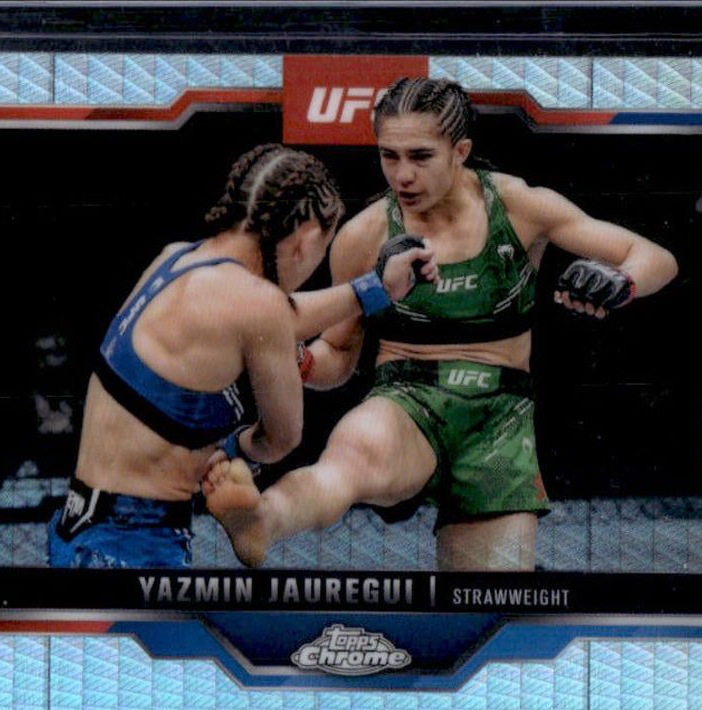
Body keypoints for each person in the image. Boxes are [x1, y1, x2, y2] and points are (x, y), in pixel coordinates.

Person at [204, 78, 678, 571]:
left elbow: (654, 257)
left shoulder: (518, 206)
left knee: (486, 600)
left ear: (460, 151)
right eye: (389, 156)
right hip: (406, 401)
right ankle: (262, 519)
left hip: (499, 420)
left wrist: (621, 281)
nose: (402, 175)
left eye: (420, 156)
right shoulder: (364, 235)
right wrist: (300, 360)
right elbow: (340, 355)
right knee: (342, 466)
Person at [47, 143, 435, 568]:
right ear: (306, 242)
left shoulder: (179, 257)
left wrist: (377, 287)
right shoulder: (257, 305)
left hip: (79, 529)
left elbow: (284, 315)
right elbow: (282, 438)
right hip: (129, 548)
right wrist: (237, 454)